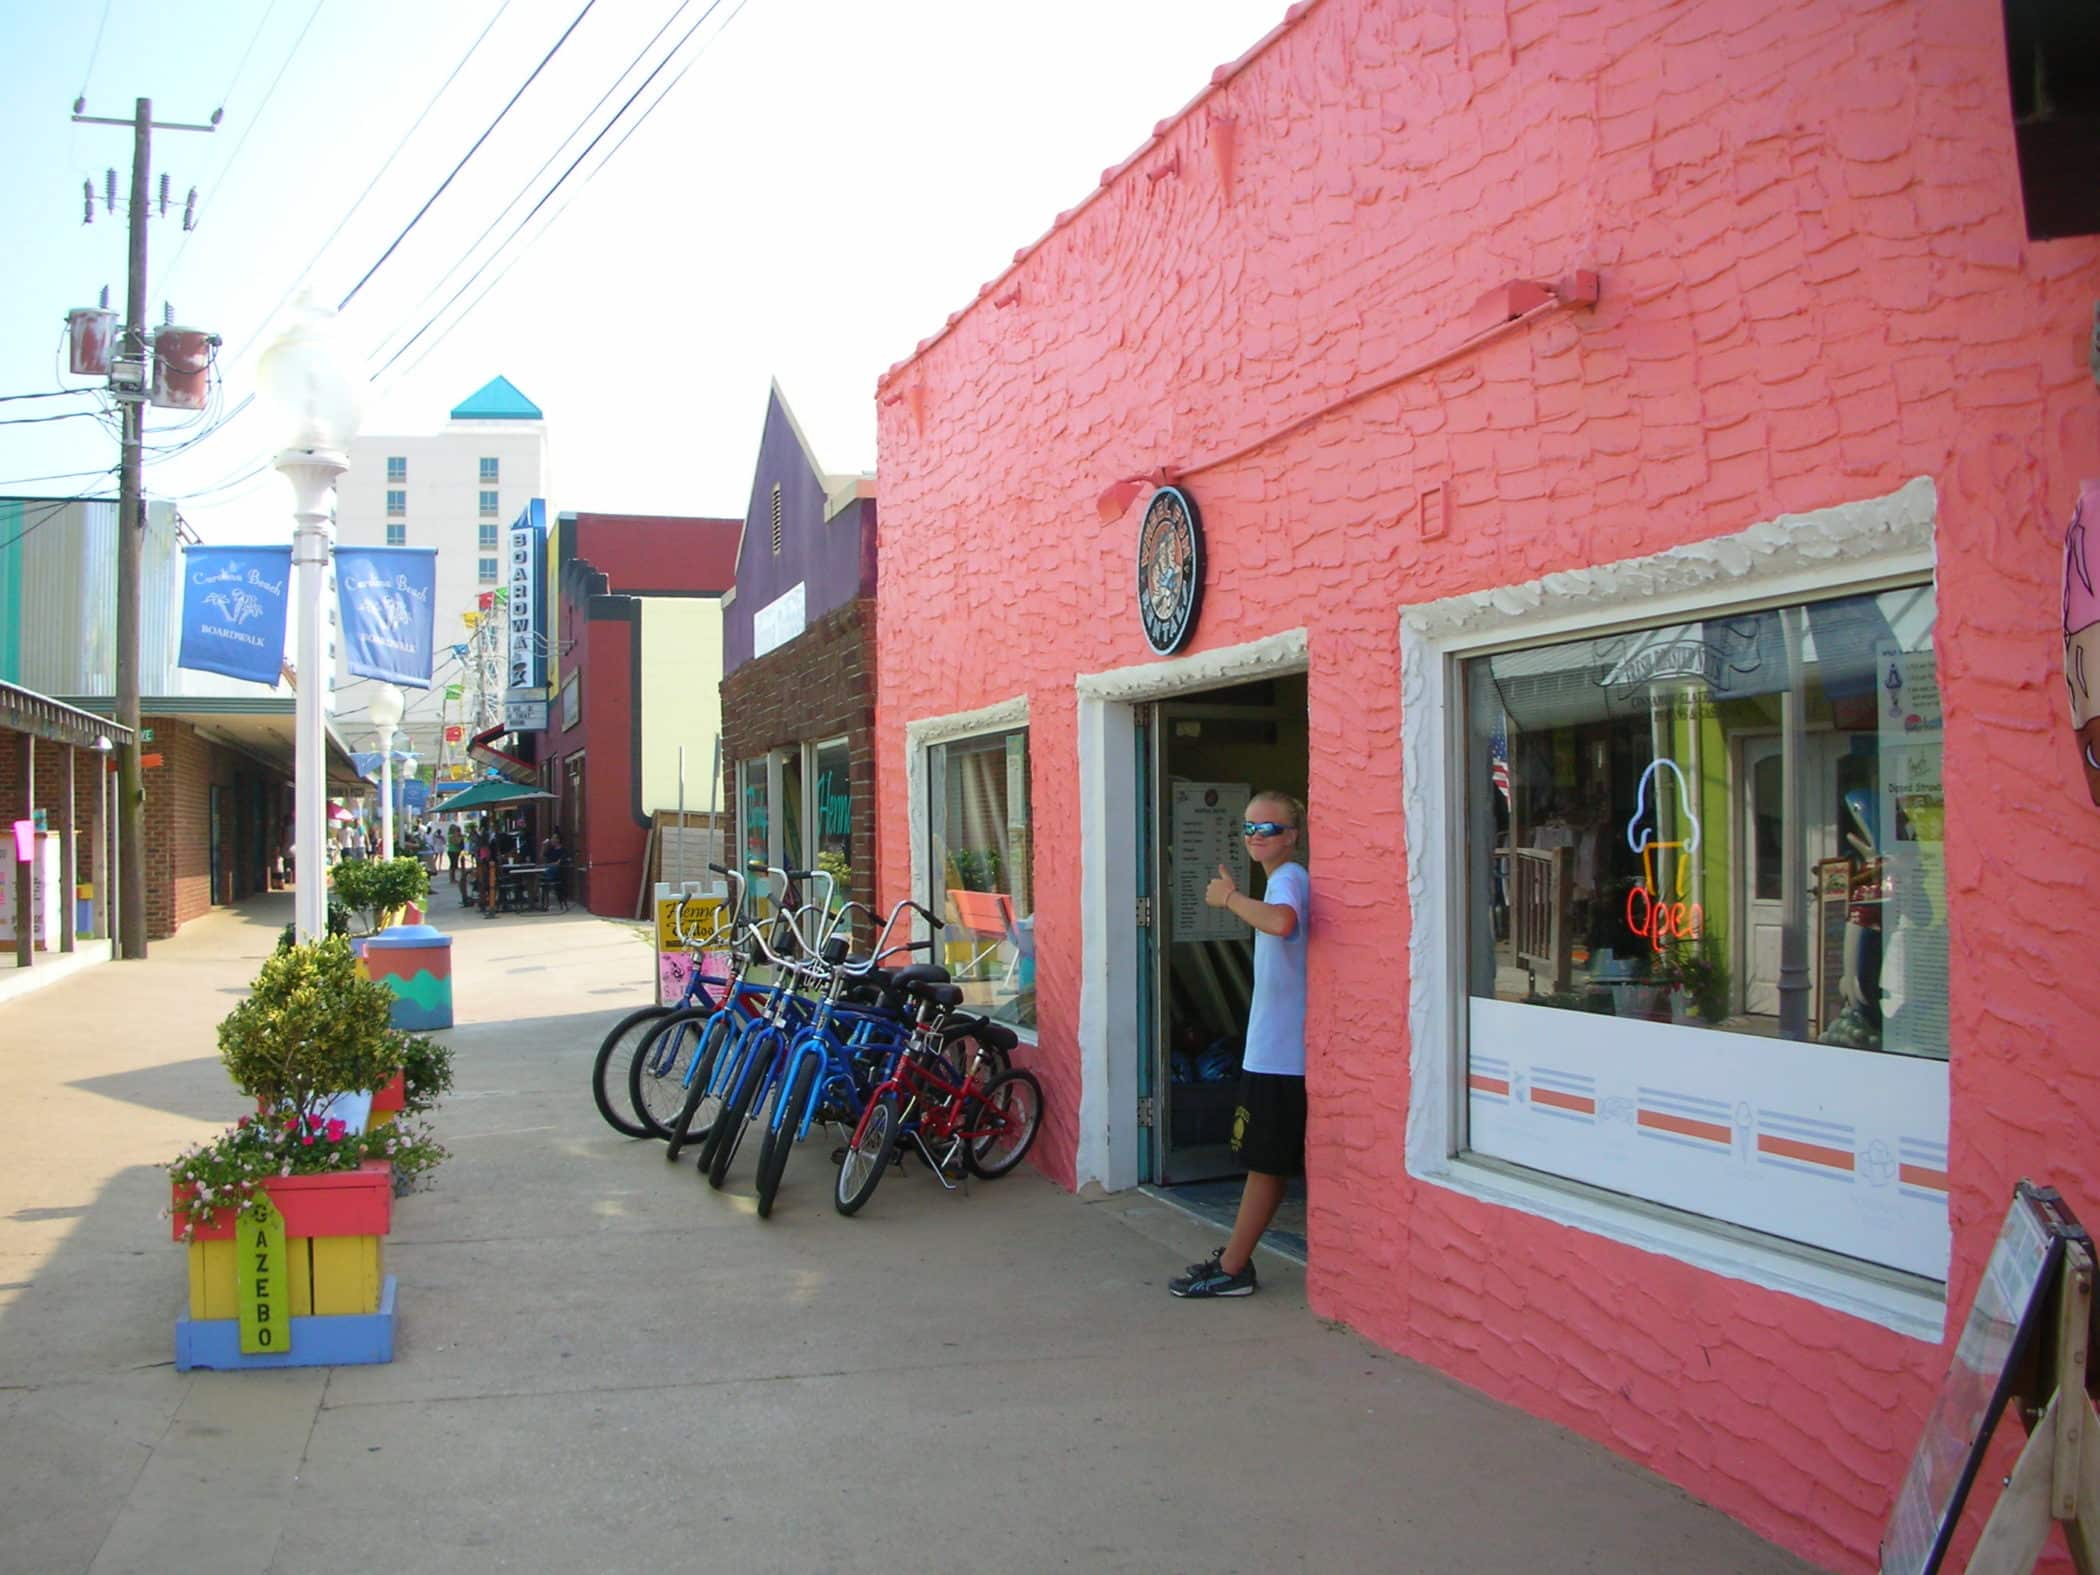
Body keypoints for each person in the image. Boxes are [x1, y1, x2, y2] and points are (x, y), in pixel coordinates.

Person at [1169, 790, 1310, 1299]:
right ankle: (1233, 1264)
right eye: (1248, 827)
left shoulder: (1289, 879)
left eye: (1267, 828)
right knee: (1264, 1162)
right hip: (1272, 1051)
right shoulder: (1276, 882)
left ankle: (1232, 1269)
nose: (1255, 836)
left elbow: (1283, 921)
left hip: (1282, 1056)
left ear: (1291, 835)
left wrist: (1227, 899)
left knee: (1264, 1164)